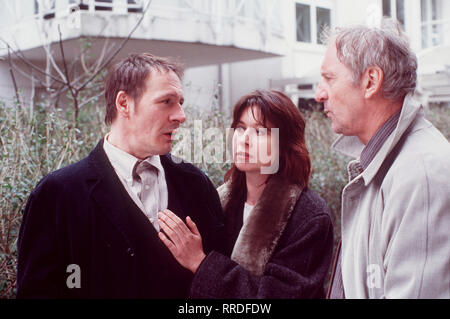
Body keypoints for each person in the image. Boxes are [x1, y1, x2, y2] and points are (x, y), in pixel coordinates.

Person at [16, 53, 225, 298]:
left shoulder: (196, 185)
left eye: (180, 102)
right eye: (166, 101)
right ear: (124, 103)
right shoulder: (57, 194)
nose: (181, 116)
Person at [315, 20, 450, 298]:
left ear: (371, 82)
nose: (319, 94)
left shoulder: (420, 174)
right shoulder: (385, 164)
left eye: (329, 78)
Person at [157, 90, 334, 298]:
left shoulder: (309, 215)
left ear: (285, 144)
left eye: (260, 132)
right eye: (240, 128)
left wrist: (201, 263)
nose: (244, 140)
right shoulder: (216, 201)